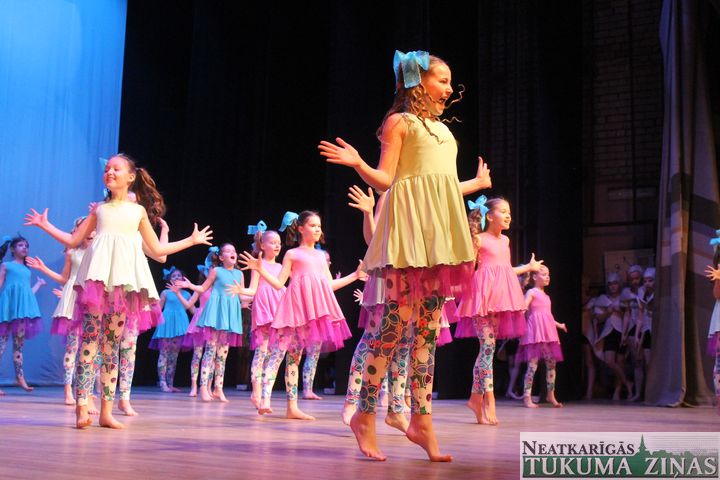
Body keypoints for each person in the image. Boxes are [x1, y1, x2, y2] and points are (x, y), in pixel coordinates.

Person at [319, 50, 491, 461]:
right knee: (394, 326)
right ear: (418, 81)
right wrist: (358, 162)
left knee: (428, 333)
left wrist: (475, 184)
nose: (449, 88)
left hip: (438, 237)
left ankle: (421, 420)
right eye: (442, 80)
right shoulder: (399, 122)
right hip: (409, 234)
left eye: (449, 81)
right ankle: (365, 414)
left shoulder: (443, 131)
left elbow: (442, 183)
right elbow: (387, 180)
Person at [24, 153, 212, 428]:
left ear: (130, 177)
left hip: (123, 286)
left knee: (111, 347)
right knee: (89, 343)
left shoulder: (137, 212)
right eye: (108, 169)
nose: (110, 172)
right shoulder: (99, 210)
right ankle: (81, 407)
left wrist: (191, 241)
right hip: (96, 283)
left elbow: (158, 250)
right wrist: (46, 225)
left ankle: (106, 412)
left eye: (117, 169)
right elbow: (74, 240)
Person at [239, 211, 363, 420]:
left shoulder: (321, 256)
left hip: (309, 313)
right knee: (278, 353)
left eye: (319, 226)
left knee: (294, 359)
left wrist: (355, 275)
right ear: (301, 228)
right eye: (313, 225)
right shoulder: (292, 254)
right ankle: (265, 399)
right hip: (292, 310)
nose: (317, 229)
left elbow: (329, 285)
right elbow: (279, 283)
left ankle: (292, 407)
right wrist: (260, 270)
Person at [455, 196, 541, 425]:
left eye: (509, 212)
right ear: (490, 216)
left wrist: (529, 267)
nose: (508, 215)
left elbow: (505, 269)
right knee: (487, 348)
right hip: (481, 300)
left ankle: (475, 399)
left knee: (488, 350)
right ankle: (488, 400)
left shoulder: (505, 241)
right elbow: (467, 269)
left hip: (499, 300)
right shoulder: (478, 239)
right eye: (503, 211)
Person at [0, 235, 46, 395]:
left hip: (21, 312)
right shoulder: (6, 266)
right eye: (20, 245)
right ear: (13, 249)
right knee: (1, 345)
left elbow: (27, 293)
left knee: (18, 346)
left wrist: (38, 284)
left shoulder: (27, 271)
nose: (24, 248)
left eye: (26, 245)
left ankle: (20, 378)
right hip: (7, 310)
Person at [517, 265, 566, 408]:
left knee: (551, 363)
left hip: (547, 332)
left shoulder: (547, 297)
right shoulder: (532, 292)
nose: (547, 277)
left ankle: (550, 394)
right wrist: (519, 315)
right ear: (534, 277)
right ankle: (527, 397)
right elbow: (524, 307)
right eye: (544, 274)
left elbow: (548, 316)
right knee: (532, 364)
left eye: (548, 274)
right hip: (535, 332)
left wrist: (559, 325)